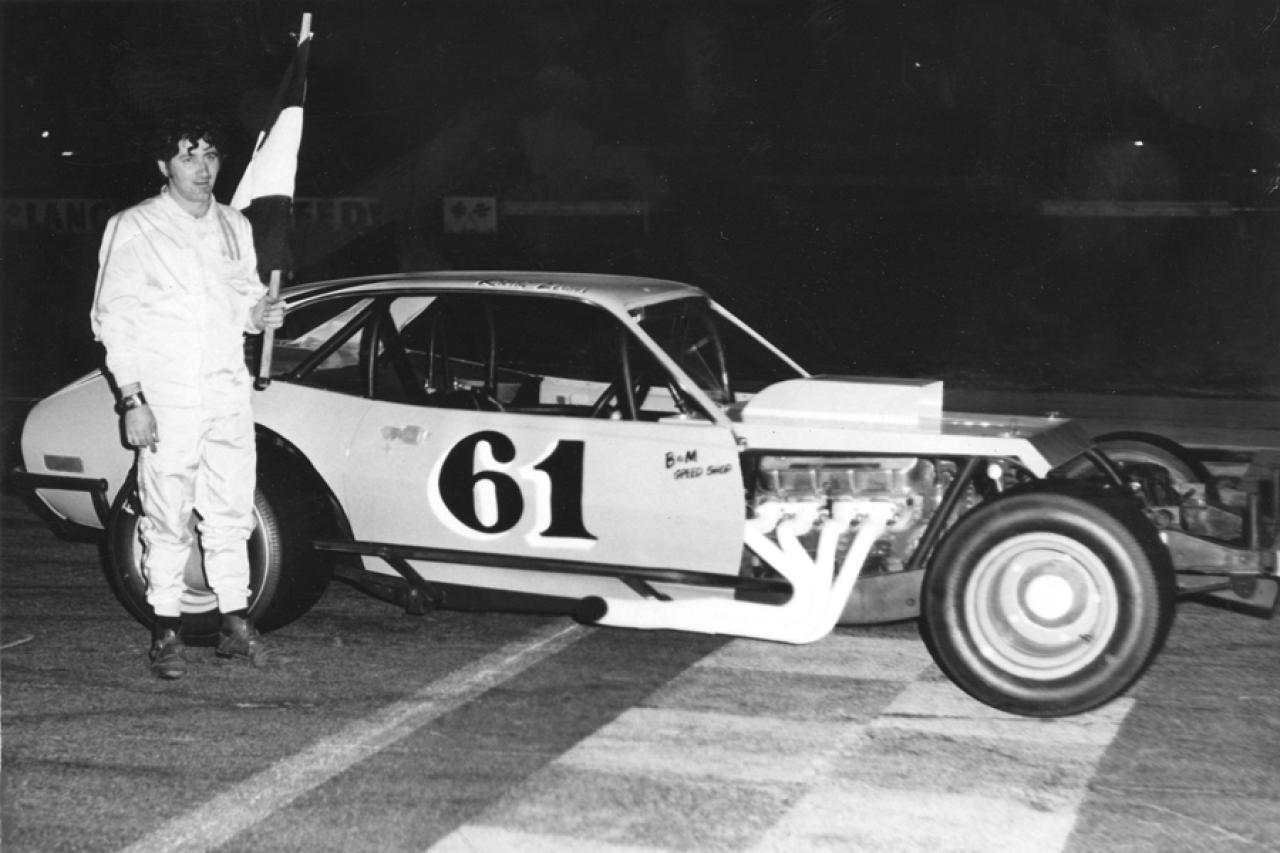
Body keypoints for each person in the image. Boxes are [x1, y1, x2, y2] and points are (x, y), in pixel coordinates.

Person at [90, 116, 284, 679]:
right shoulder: (134, 226)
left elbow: (245, 300)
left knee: (231, 509)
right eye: (187, 157)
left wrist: (262, 313)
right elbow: (113, 319)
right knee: (166, 513)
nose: (202, 169)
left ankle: (234, 623)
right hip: (166, 395)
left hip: (226, 391)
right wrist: (133, 400)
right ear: (163, 166)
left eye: (210, 156)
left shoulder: (234, 225)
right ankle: (166, 629)